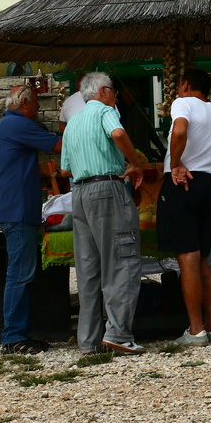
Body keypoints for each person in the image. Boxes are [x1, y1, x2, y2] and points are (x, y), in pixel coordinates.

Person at [60, 71, 146, 355]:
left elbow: (65, 170)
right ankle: (119, 334)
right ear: (103, 92)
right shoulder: (105, 111)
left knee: (88, 268)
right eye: (113, 91)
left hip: (80, 193)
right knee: (121, 261)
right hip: (107, 188)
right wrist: (134, 163)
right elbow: (118, 133)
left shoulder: (73, 121)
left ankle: (89, 340)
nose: (116, 97)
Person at [156, 67, 211, 346]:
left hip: (185, 183)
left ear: (185, 85)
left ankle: (196, 329)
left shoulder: (183, 102)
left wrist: (175, 164)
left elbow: (179, 131)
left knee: (188, 258)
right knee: (201, 258)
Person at [0, 85, 62, 355]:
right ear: (25, 103)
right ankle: (13, 337)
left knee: (20, 273)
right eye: (37, 102)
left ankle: (17, 332)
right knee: (20, 274)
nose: (39, 107)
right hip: (17, 211)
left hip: (9, 208)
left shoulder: (0, 127)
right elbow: (58, 145)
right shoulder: (18, 125)